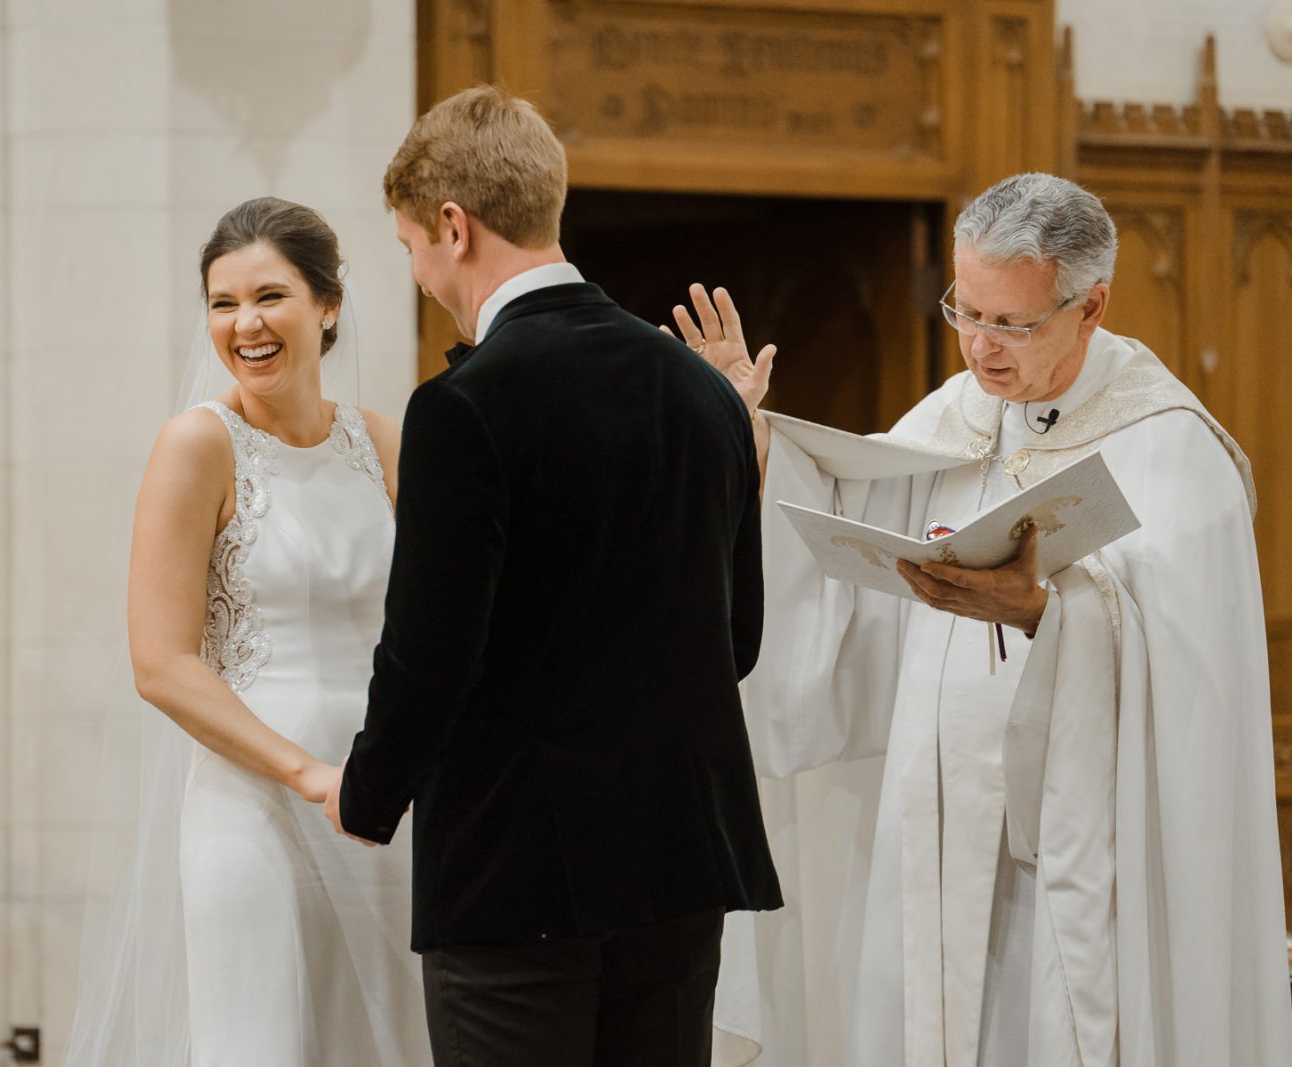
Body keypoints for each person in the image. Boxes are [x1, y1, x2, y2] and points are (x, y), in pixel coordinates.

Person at [673, 172, 1292, 1065]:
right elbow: (839, 544)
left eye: (1012, 323)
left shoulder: (1171, 447)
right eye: (965, 310)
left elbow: (1191, 686)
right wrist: (752, 437)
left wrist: (1046, 613)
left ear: (1091, 306)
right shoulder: (954, 416)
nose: (979, 347)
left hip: (1074, 867)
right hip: (930, 841)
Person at [321, 84, 783, 1067]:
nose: (419, 276)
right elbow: (735, 640)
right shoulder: (708, 396)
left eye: (409, 247)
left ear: (454, 226)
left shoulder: (462, 404)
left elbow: (431, 655)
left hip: (515, 869)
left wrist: (367, 794)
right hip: (678, 861)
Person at [64, 197, 432, 1065]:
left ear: (328, 305)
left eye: (270, 296)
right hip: (254, 807)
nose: (246, 324)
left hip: (384, 802)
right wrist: (307, 772)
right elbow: (160, 663)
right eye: (223, 303)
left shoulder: (388, 443)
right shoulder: (198, 445)